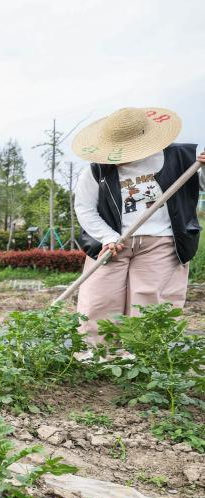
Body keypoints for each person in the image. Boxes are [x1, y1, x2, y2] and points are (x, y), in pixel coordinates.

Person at [72, 107, 205, 345]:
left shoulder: (181, 158)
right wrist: (108, 237)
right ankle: (97, 355)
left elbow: (200, 185)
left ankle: (142, 357)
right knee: (99, 299)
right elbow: (85, 209)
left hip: (161, 242)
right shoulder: (96, 170)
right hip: (112, 244)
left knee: (148, 302)